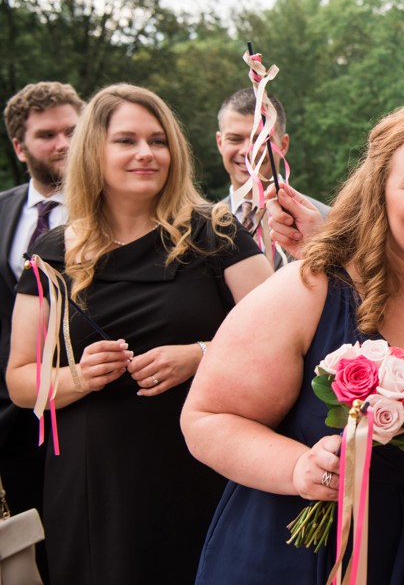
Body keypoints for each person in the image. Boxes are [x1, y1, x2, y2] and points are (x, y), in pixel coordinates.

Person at [182, 104, 404, 584]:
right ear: (379, 195)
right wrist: (297, 468)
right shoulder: (310, 290)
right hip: (300, 554)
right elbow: (206, 419)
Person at [5, 83, 273, 585]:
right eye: (126, 141)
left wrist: (200, 354)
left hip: (202, 465)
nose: (147, 153)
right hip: (94, 483)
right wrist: (79, 378)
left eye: (158, 140)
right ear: (94, 153)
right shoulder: (52, 252)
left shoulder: (216, 233)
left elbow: (284, 340)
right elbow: (22, 381)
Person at [1, 81, 83, 583]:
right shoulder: (4, 210)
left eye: (73, 130)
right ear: (20, 146)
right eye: (47, 134)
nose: (64, 144)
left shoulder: (116, 212)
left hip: (91, 402)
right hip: (12, 414)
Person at [215, 88, 329, 268]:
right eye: (235, 139)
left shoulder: (328, 221)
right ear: (220, 143)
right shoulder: (199, 228)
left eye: (260, 140)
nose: (247, 151)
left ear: (283, 145)